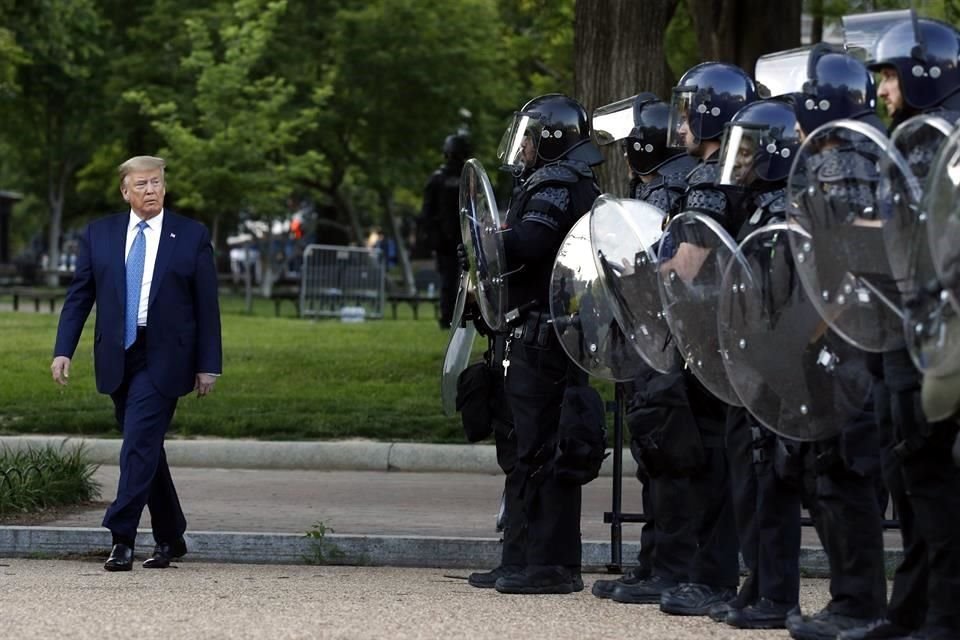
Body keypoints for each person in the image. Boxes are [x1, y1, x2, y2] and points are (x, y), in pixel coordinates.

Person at [749, 44, 890, 640]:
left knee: (842, 475)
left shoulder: (843, 157)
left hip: (844, 336)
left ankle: (858, 605)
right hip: (844, 335)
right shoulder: (843, 151)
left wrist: (807, 332)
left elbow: (843, 256)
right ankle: (852, 602)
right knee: (829, 475)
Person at [838, 14, 960, 640]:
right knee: (910, 478)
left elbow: (933, 237)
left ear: (922, 72)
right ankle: (909, 612)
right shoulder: (914, 137)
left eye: (888, 75)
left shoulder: (945, 139)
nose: (881, 89)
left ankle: (942, 617)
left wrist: (860, 236)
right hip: (902, 330)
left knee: (932, 480)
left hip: (935, 335)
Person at [50, 155, 222, 572]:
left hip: (167, 355)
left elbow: (206, 306)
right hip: (118, 353)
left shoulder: (191, 235)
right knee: (146, 448)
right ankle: (171, 536)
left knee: (138, 443)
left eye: (158, 183)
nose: (151, 191)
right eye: (142, 184)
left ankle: (121, 535)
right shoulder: (99, 235)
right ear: (125, 191)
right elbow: (80, 296)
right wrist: (63, 349)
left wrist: (208, 364)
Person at [469, 93, 602, 595]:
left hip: (545, 336)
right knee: (531, 448)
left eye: (528, 138)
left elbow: (530, 244)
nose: (521, 148)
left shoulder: (556, 183)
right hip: (547, 333)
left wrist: (488, 239)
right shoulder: (570, 180)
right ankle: (522, 559)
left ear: (548, 139)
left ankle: (546, 566)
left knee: (542, 450)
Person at [588, 92, 700, 605]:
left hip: (663, 343)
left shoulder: (667, 193)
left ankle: (669, 567)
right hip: (651, 340)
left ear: (645, 146)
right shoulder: (658, 186)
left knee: (667, 458)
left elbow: (645, 266)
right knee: (653, 458)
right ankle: (653, 562)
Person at [708, 97, 805, 630]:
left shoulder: (785, 208)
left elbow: (784, 294)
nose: (736, 160)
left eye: (745, 150)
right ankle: (758, 579)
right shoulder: (752, 207)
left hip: (776, 364)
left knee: (772, 478)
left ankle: (779, 592)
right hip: (747, 362)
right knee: (748, 475)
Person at [421, 134, 472, 328]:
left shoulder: (438, 178)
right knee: (456, 279)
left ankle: (449, 317)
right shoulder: (465, 177)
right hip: (458, 236)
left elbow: (426, 213)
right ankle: (453, 316)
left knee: (449, 280)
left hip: (449, 237)